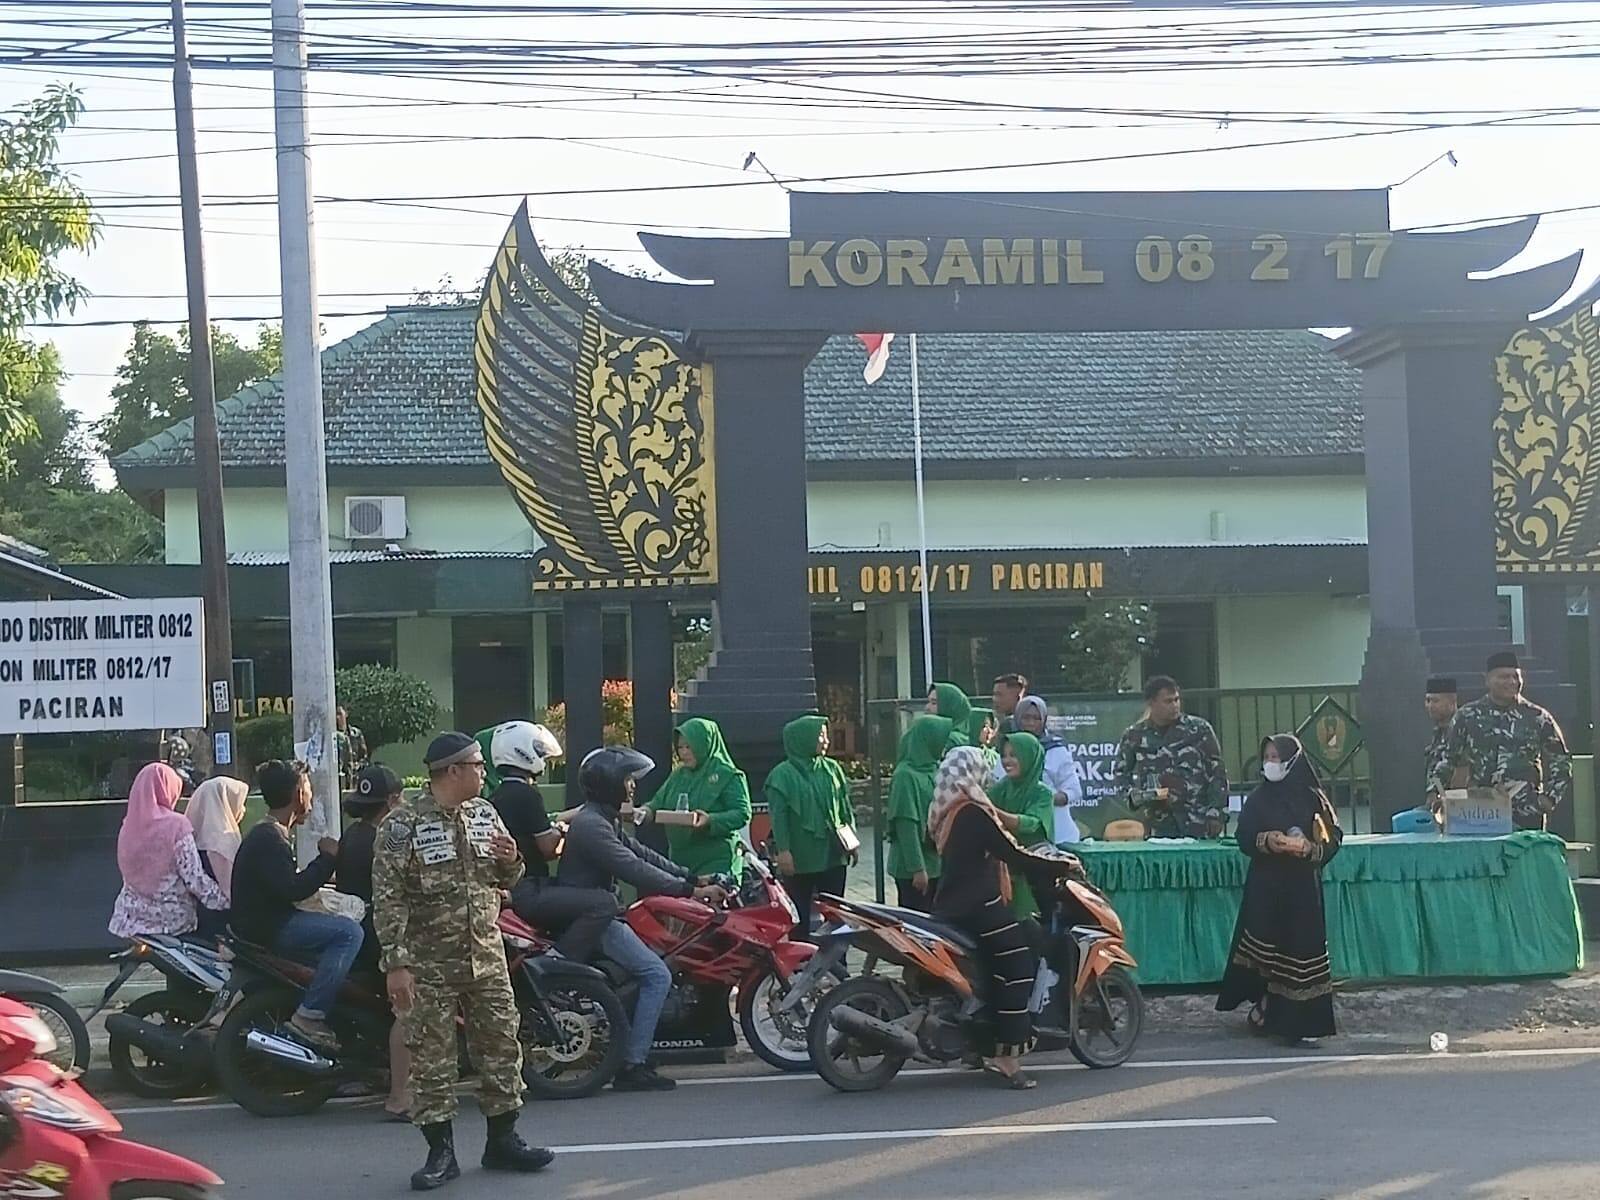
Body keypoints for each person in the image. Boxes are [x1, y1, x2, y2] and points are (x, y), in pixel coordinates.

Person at [372, 733, 551, 1190]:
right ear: (452, 771)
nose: (484, 772)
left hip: (486, 954)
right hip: (428, 963)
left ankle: (503, 1140)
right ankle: (441, 1152)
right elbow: (388, 899)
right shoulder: (402, 825)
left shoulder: (485, 813)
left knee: (501, 1047)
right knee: (432, 1058)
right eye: (476, 765)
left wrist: (512, 862)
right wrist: (396, 962)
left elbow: (506, 875)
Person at [560, 746, 730, 1093]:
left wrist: (692, 878)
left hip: (603, 912)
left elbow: (643, 853)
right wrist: (689, 891)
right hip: (597, 919)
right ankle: (632, 1063)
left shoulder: (600, 817)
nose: (633, 787)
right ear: (610, 784)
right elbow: (633, 868)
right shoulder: (592, 826)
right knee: (657, 974)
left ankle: (628, 1045)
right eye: (627, 780)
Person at [929, 746, 1075, 1090]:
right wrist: (1060, 865)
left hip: (950, 905)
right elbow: (1012, 855)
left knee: (993, 969)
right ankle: (1006, 1056)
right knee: (1018, 966)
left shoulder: (947, 811)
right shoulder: (973, 812)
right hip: (979, 906)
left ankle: (980, 1042)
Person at [230, 760, 363, 1053]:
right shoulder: (269, 838)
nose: (312, 796)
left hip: (268, 920)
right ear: (298, 794)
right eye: (308, 788)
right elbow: (293, 888)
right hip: (269, 927)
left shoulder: (271, 834)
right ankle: (310, 1015)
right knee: (349, 933)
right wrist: (326, 859)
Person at [1217, 735, 1343, 1042]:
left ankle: (1298, 1024)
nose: (1270, 763)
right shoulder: (1259, 798)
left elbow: (1332, 839)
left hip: (1302, 891)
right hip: (1267, 887)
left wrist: (1309, 850)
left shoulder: (1314, 799)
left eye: (1277, 757)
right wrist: (1268, 841)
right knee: (1266, 952)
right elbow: (1244, 837)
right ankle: (1264, 1007)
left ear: (1292, 761)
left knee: (1300, 953)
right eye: (1267, 757)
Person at [487, 721, 618, 963]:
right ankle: (557, 963)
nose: (543, 760)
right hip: (528, 888)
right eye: (539, 752)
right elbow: (548, 848)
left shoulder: (499, 794)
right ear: (522, 752)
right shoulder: (526, 794)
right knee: (604, 902)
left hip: (518, 887)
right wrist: (562, 831)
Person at [336, 763, 411, 1121]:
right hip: (380, 936)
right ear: (393, 800)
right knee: (412, 1006)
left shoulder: (354, 834)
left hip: (361, 932)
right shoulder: (385, 840)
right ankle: (402, 1095)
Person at [1434, 651, 1572, 831]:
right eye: (1504, 677)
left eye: (1516, 676)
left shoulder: (1538, 717)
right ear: (1487, 680)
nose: (1512, 682)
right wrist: (1435, 792)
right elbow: (1447, 758)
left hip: (1526, 811)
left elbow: (1561, 760)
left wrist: (1549, 798)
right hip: (1480, 811)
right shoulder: (1467, 716)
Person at [109, 763, 229, 941]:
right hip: (171, 920)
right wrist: (225, 901)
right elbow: (195, 880)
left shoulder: (127, 826)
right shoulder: (177, 826)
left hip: (130, 917)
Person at [764, 714, 858, 937]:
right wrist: (784, 850)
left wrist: (852, 840)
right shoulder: (782, 775)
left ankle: (838, 962)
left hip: (833, 854)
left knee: (836, 912)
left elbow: (844, 806)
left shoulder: (832, 768)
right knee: (799, 913)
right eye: (821, 736)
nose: (826, 741)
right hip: (801, 856)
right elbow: (779, 816)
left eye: (826, 736)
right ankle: (802, 960)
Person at [1113, 675, 1229, 838]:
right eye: (1168, 701)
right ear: (1151, 703)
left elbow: (1217, 773)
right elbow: (1120, 774)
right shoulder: (1134, 736)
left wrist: (1216, 812)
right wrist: (1135, 796)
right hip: (1158, 822)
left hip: (1198, 820)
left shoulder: (1198, 730)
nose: (1175, 706)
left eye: (1176, 700)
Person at [640, 718, 752, 882]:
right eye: (680, 747)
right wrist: (642, 812)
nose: (684, 752)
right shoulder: (678, 775)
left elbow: (742, 813)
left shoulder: (728, 774)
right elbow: (657, 804)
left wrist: (710, 820)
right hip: (681, 864)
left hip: (716, 861)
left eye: (689, 747)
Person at [985, 731, 1057, 920]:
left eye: (1014, 755)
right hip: (1002, 869)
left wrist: (991, 811)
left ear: (1029, 757)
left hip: (1033, 873)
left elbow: (1030, 824)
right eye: (1004, 755)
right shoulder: (1001, 788)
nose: (1007, 761)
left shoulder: (1043, 793)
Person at [885, 715, 951, 911]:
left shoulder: (934, 769)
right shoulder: (905, 775)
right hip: (912, 867)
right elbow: (906, 824)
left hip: (934, 862)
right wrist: (917, 868)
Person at [1009, 695, 1084, 844]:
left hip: (1058, 837)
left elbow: (1074, 791)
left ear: (1044, 721)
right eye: (1026, 717)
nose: (1031, 723)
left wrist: (1045, 798)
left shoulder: (1056, 751)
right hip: (1017, 835)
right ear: (1017, 718)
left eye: (1037, 719)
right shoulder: (1008, 749)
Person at [183, 776, 248, 900]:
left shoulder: (188, 839)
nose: (243, 809)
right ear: (224, 801)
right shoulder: (222, 843)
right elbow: (232, 891)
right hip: (221, 913)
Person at [1423, 676, 1458, 807]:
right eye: (1428, 700)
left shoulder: (1461, 729)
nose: (1430, 706)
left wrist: (1433, 790)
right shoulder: (1438, 733)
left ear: (1452, 702)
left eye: (1436, 701)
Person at [926, 682, 973, 752]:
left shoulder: (950, 740)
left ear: (950, 707)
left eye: (934, 703)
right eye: (928, 702)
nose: (927, 707)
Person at [335, 706, 368, 791]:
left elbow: (364, 757)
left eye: (339, 714)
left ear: (346, 714)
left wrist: (358, 766)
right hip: (340, 784)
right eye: (335, 714)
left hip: (356, 781)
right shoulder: (333, 737)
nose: (337, 718)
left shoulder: (356, 734)